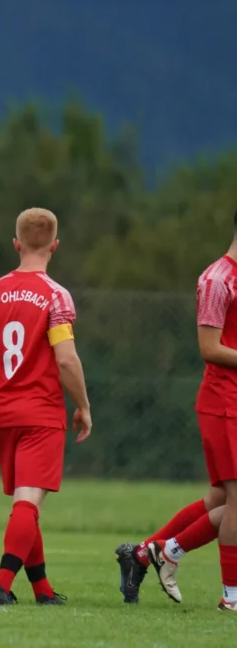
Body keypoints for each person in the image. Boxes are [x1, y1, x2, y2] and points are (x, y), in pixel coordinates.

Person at [0, 207, 90, 606]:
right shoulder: (56, 296)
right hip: (41, 411)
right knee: (28, 502)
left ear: (16, 244)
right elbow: (66, 359)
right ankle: (2, 584)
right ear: (55, 246)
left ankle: (43, 590)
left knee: (26, 500)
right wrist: (83, 405)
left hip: (0, 410)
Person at [121, 215, 237, 611]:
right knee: (236, 499)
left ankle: (152, 553)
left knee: (221, 496)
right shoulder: (218, 280)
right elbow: (211, 348)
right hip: (224, 403)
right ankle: (231, 598)